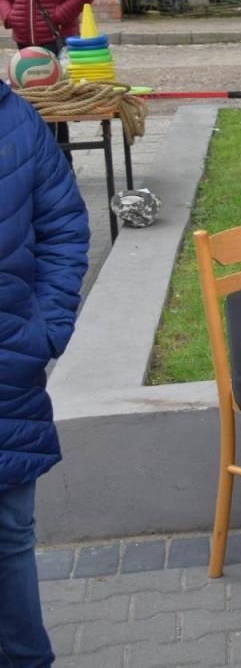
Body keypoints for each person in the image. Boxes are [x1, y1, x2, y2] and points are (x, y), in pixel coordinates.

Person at [0, 77, 90, 667]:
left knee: (9, 537)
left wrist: (47, 328)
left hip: (7, 367)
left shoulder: (15, 121)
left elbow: (63, 227)